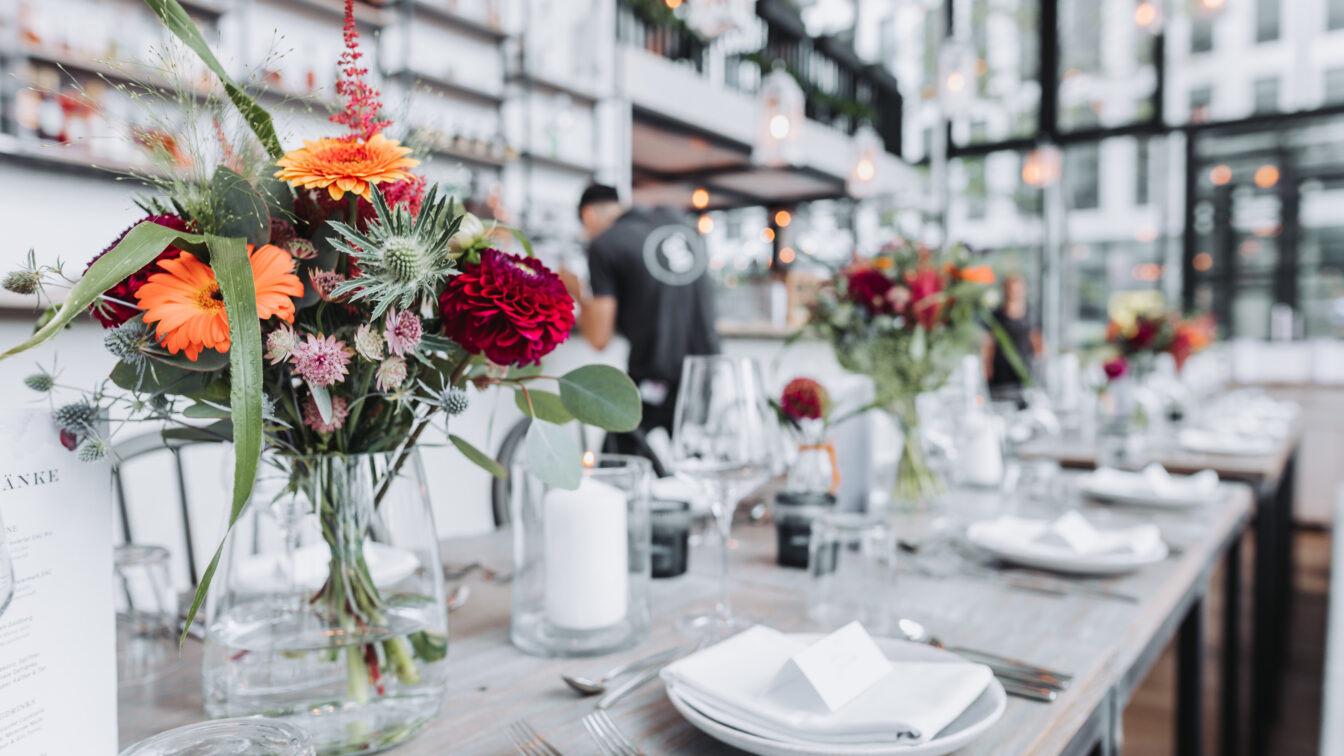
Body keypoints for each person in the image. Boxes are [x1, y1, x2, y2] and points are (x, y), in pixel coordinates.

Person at [559, 184, 721, 457]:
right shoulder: (678, 221)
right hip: (705, 369)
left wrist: (574, 290)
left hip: (654, 374)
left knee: (616, 463)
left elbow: (599, 339)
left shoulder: (604, 244)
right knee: (692, 467)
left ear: (588, 215)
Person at [981, 273, 1042, 403]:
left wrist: (1039, 375)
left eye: (1017, 290)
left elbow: (1038, 347)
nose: (1014, 293)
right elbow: (987, 348)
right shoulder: (995, 318)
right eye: (1010, 289)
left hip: (1024, 381)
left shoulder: (1031, 317)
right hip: (999, 382)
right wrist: (986, 374)